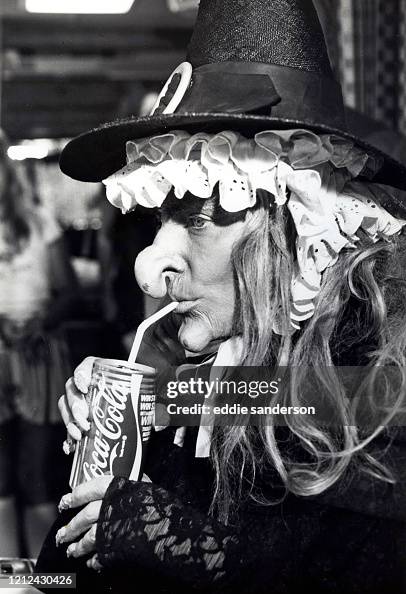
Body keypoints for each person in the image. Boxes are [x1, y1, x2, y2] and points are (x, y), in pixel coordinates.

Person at [37, 0, 406, 592]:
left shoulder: (377, 380)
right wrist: (126, 432)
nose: (150, 269)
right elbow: (61, 572)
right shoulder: (218, 372)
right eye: (163, 216)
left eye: (200, 216)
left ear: (293, 226)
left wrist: (166, 536)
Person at [0, 132, 78, 557]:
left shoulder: (38, 219)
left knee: (36, 473)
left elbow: (68, 292)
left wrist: (37, 323)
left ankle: (48, 578)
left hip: (38, 356)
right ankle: (8, 578)